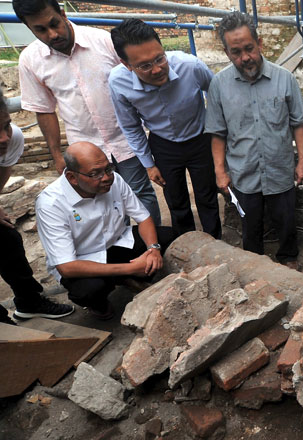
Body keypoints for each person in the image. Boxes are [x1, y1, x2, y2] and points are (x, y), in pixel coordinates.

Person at [13, 0, 161, 225]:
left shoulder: (102, 41)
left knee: (141, 194)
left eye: (55, 24)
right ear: (28, 28)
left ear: (63, 13)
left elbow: (137, 82)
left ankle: (156, 246)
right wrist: (57, 156)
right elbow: (44, 111)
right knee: (103, 203)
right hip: (85, 149)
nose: (52, 34)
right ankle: (123, 252)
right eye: (40, 30)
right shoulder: (30, 61)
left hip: (125, 139)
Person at [205, 11, 303, 269]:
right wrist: (220, 171)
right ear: (227, 52)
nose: (245, 58)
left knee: (285, 219)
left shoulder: (284, 79)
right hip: (244, 172)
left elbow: (298, 124)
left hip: (279, 168)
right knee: (250, 224)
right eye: (236, 52)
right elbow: (218, 132)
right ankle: (253, 263)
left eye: (249, 49)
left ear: (259, 43)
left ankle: (288, 258)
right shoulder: (218, 85)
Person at [35, 142, 175, 320]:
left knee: (168, 236)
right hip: (82, 260)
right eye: (95, 174)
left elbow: (143, 217)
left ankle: (127, 276)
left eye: (108, 168)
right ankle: (102, 303)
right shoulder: (51, 204)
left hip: (117, 242)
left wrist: (153, 249)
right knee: (89, 291)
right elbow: (67, 267)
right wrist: (131, 268)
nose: (106, 177)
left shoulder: (114, 179)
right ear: (72, 177)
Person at [108, 19, 221, 239]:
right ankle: (186, 245)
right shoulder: (118, 82)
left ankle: (215, 240)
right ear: (126, 64)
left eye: (160, 58)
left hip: (200, 138)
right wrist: (149, 165)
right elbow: (130, 126)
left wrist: (217, 137)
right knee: (176, 200)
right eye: (145, 65)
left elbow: (218, 97)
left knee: (207, 196)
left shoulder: (191, 66)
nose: (158, 69)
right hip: (163, 144)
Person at [0, 91, 73, 324]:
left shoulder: (13, 137)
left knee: (8, 239)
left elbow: (4, 169)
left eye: (5, 126)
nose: (3, 138)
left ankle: (29, 301)